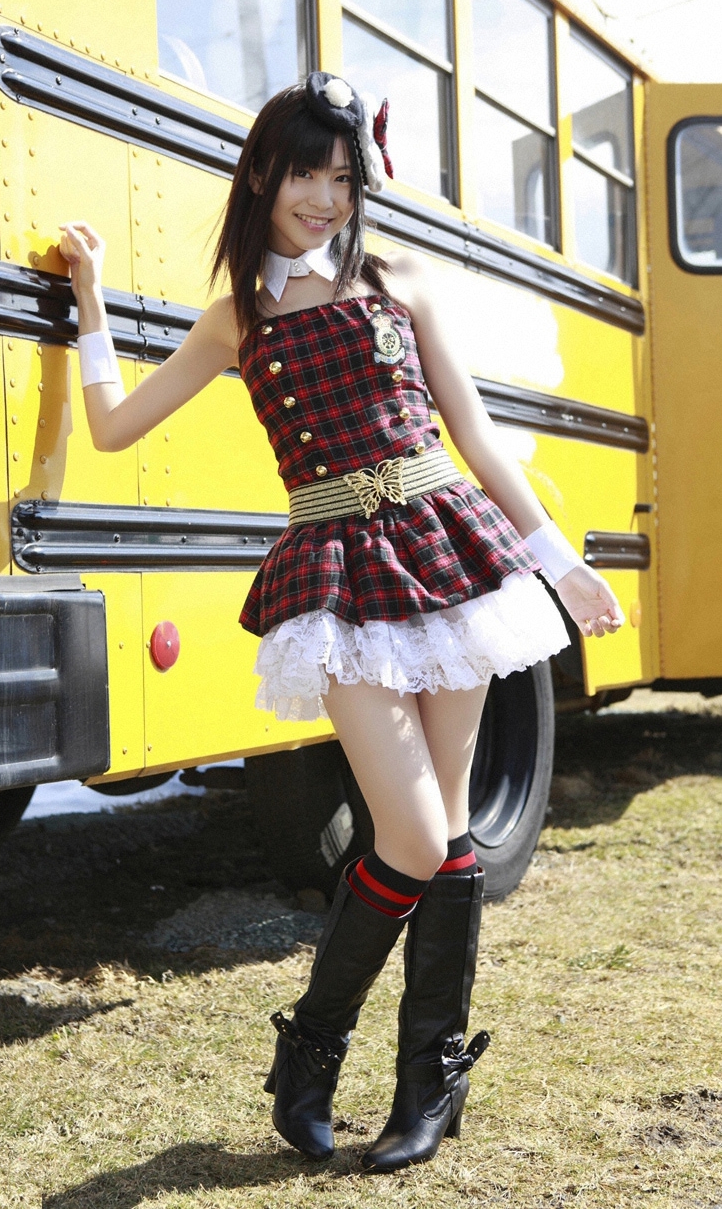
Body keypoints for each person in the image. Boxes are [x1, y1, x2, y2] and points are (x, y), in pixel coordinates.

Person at [59, 71, 624, 1174]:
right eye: (301, 173)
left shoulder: (394, 278)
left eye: (340, 175)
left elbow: (474, 435)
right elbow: (115, 427)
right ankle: (309, 1054)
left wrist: (561, 566)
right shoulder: (238, 318)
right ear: (260, 174)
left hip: (448, 550)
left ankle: (428, 1085)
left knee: (448, 832)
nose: (322, 196)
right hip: (332, 567)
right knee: (407, 834)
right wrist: (88, 301)